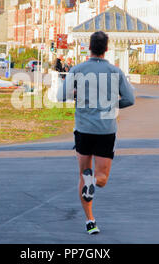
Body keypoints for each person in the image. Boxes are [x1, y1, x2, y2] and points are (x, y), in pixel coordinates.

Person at [58, 31, 135, 235]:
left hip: (83, 129)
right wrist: (111, 104)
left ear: (89, 47)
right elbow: (130, 99)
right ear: (106, 49)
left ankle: (90, 220)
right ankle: (94, 182)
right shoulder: (115, 71)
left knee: (83, 175)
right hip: (106, 130)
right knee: (101, 178)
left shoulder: (77, 69)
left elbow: (61, 95)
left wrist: (77, 94)